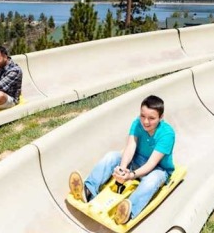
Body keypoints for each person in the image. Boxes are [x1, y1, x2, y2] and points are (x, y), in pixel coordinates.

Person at [69, 95, 175, 225]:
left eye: (151, 118)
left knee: (151, 181)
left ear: (161, 117)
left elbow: (151, 163)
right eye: (143, 116)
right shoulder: (137, 123)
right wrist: (122, 168)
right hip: (136, 160)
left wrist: (131, 176)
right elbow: (131, 147)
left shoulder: (167, 134)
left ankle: (127, 212)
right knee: (112, 156)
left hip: (158, 168)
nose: (145, 122)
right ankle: (88, 190)